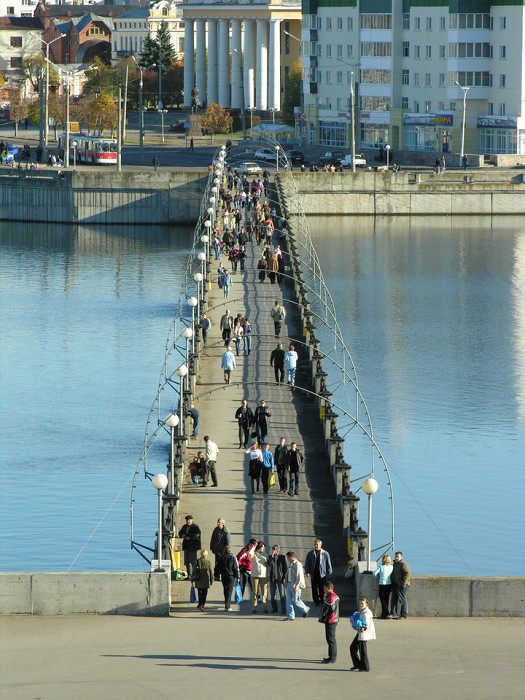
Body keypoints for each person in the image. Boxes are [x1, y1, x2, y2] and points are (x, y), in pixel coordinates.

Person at [350, 597, 376, 672]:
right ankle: (357, 664)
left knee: (362, 650)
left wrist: (363, 628)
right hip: (360, 633)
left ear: (367, 604)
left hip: (364, 634)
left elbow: (366, 623)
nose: (361, 605)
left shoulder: (366, 613)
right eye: (360, 603)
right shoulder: (362, 611)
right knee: (353, 647)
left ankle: (365, 667)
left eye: (362, 603)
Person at [305, 538, 333, 606]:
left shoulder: (325, 554)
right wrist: (307, 572)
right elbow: (307, 564)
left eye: (317, 544)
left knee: (322, 588)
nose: (316, 546)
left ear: (320, 545)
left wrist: (329, 572)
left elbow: (328, 563)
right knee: (314, 588)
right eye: (315, 544)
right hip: (314, 574)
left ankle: (322, 599)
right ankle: (316, 601)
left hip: (322, 574)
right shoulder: (310, 554)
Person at [284, 551, 309, 620]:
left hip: (294, 585)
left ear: (291, 557)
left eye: (287, 557)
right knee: (288, 601)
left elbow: (299, 577)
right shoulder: (290, 564)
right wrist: (285, 583)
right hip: (289, 584)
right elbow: (288, 573)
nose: (287, 559)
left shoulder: (297, 564)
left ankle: (306, 609)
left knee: (296, 601)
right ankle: (291, 616)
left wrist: (296, 586)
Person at [214, 546, 240, 611]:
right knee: (229, 590)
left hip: (223, 575)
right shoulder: (233, 557)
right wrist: (238, 577)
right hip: (231, 576)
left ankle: (226, 602)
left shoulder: (220, 557)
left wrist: (216, 575)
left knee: (225, 590)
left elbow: (217, 567)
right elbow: (235, 568)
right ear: (230, 550)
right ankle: (227, 606)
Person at [320, 581, 340, 663]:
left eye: (325, 588)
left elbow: (331, 609)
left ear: (329, 588)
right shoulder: (332, 596)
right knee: (329, 639)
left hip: (331, 620)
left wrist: (324, 615)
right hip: (332, 619)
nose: (324, 590)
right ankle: (331, 656)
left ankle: (332, 658)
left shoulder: (332, 597)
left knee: (331, 639)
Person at [267, 544, 287, 614]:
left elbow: (285, 568)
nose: (273, 551)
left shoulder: (282, 557)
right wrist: (272, 556)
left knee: (282, 594)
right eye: (272, 550)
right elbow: (268, 564)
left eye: (274, 549)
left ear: (278, 550)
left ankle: (284, 609)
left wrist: (284, 577)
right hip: (272, 578)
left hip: (280, 578)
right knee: (273, 594)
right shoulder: (270, 557)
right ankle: (274, 608)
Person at [390, 551, 411, 619]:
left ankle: (404, 614)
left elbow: (407, 574)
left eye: (398, 557)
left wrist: (403, 583)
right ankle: (393, 613)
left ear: (401, 557)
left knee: (402, 600)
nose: (396, 558)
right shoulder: (394, 564)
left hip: (402, 585)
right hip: (395, 584)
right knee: (393, 599)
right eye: (395, 556)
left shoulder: (404, 564)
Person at [251, 541, 269, 613]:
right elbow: (249, 553)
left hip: (264, 576)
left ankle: (265, 608)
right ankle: (254, 608)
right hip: (254, 575)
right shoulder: (254, 554)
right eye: (262, 547)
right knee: (255, 592)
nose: (263, 548)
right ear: (258, 547)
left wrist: (268, 575)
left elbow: (268, 566)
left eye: (264, 547)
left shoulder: (265, 555)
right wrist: (254, 547)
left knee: (264, 592)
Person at [374, 554, 393, 618]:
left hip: (382, 584)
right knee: (386, 599)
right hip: (389, 584)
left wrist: (379, 576)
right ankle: (385, 613)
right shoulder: (391, 567)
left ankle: (385, 613)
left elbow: (374, 573)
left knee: (382, 600)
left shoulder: (381, 567)